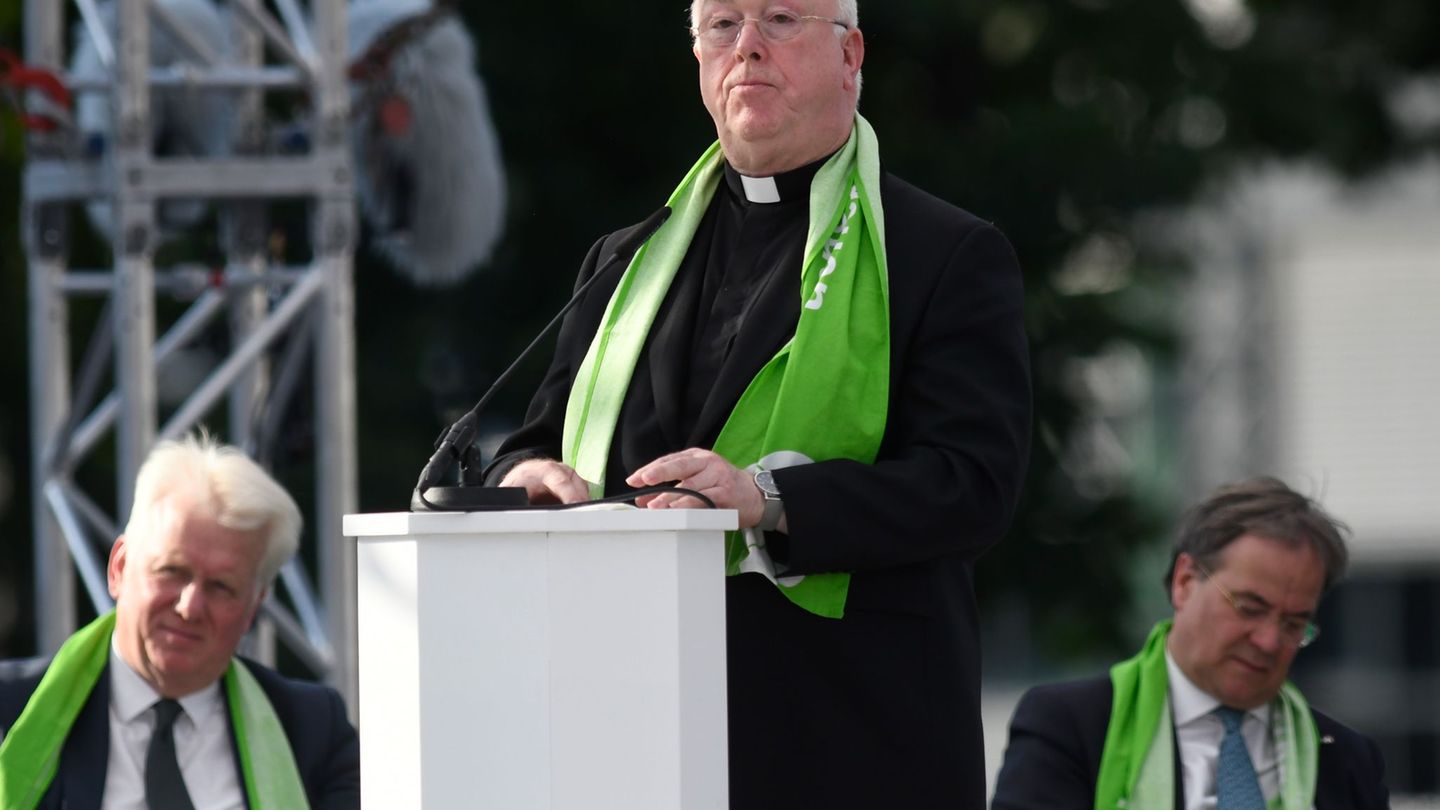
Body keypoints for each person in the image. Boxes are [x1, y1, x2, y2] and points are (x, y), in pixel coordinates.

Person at [484, 1, 1031, 806]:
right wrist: (523, 475)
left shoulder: (942, 253)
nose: (746, 49)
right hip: (629, 733)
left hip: (846, 738)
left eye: (779, 19)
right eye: (721, 25)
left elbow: (973, 486)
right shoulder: (626, 258)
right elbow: (534, 442)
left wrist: (770, 500)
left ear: (852, 55)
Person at [0, 435, 360, 809]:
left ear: (255, 605)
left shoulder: (312, 731)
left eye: (222, 586)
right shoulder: (12, 717)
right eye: (171, 571)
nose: (190, 606)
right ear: (119, 566)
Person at [991, 477, 1389, 810]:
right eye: (1249, 607)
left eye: (1293, 623)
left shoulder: (1345, 760)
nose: (1269, 641)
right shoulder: (1072, 728)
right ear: (1185, 582)